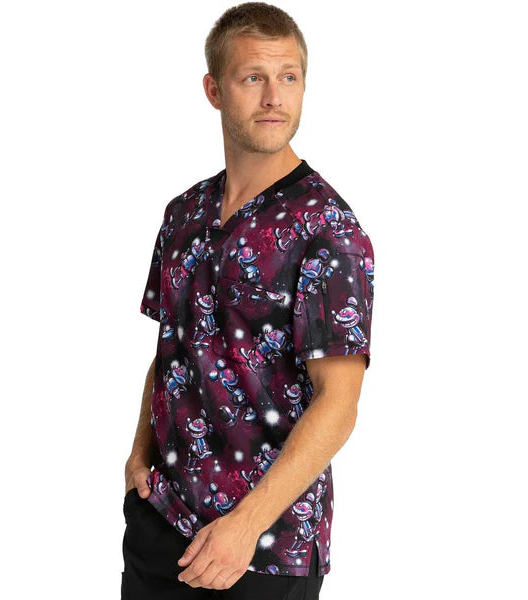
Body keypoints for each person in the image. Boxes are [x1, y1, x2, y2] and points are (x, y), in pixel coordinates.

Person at [120, 3, 375, 599]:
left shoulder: (328, 229)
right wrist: (137, 457)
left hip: (261, 551)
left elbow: (339, 402)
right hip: (160, 521)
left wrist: (244, 527)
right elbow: (172, 349)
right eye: (253, 77)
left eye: (289, 76)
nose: (273, 97)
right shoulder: (184, 213)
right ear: (214, 90)